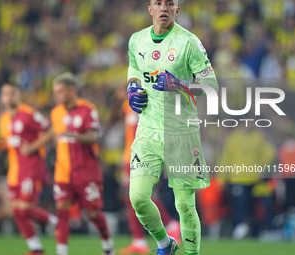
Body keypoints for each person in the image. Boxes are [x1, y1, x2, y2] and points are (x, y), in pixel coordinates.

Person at [126, 1, 218, 255]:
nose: (164, 7)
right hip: (147, 130)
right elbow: (134, 67)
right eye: (158, 2)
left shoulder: (189, 43)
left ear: (178, 9)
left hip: (181, 133)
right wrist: (132, 88)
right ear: (150, 8)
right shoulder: (136, 40)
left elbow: (211, 86)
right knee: (138, 197)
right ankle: (165, 243)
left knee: (185, 205)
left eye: (170, 3)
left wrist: (178, 84)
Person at [22, 73, 115, 255]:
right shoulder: (56, 112)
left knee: (94, 215)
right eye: (55, 92)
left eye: (60, 92)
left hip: (86, 172)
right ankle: (62, 252)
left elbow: (95, 136)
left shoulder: (88, 110)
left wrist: (74, 135)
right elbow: (53, 133)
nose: (56, 95)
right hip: (63, 172)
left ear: (72, 91)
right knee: (62, 211)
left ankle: (108, 246)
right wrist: (33, 146)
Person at [0, 83, 57, 255]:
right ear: (1, 97)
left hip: (32, 167)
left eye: (12, 93)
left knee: (23, 208)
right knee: (16, 211)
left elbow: (50, 132)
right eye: (5, 94)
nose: (9, 97)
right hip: (15, 170)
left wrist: (32, 147)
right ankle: (36, 248)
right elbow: (7, 144)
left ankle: (56, 222)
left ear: (19, 95)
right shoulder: (4, 119)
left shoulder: (29, 114)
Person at [119, 100, 180, 255]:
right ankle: (140, 239)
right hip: (130, 155)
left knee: (140, 196)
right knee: (133, 198)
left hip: (142, 155)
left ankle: (170, 225)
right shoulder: (127, 104)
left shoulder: (148, 99)